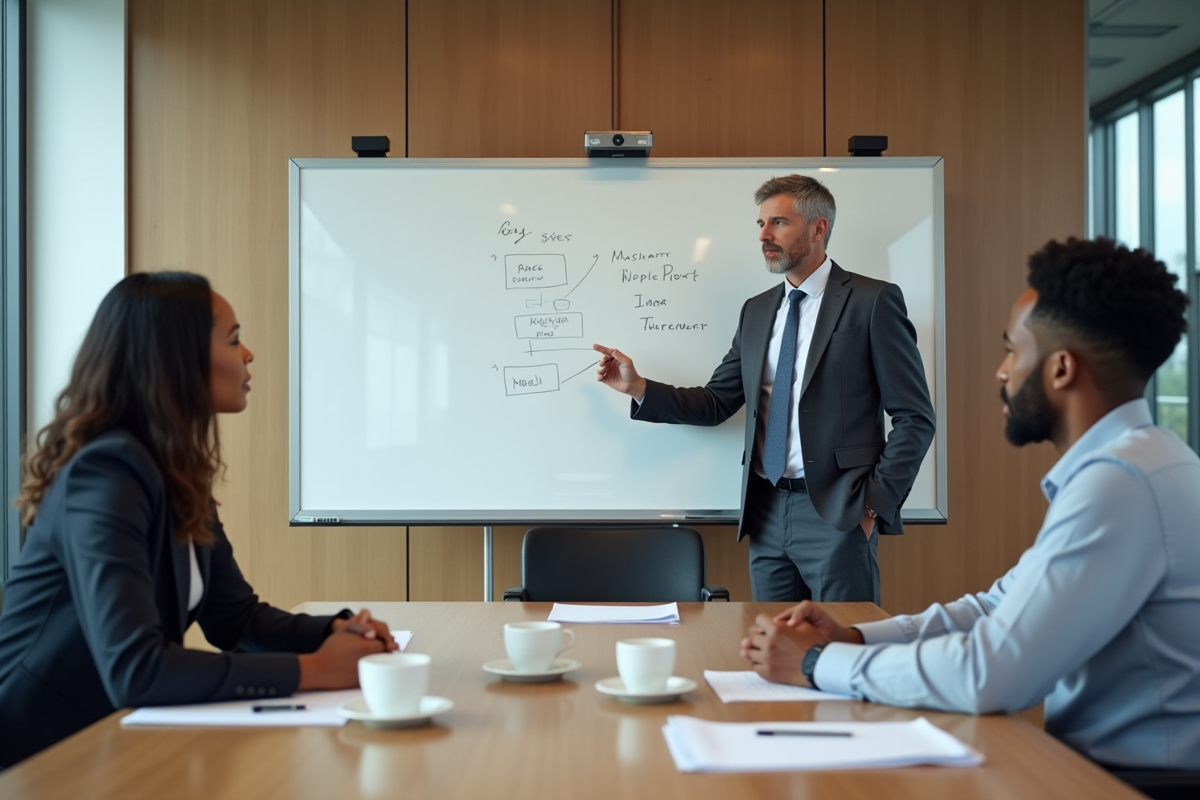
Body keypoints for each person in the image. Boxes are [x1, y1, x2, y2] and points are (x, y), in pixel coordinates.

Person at [741, 237, 1200, 770]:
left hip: (1132, 781)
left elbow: (991, 674)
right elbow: (997, 607)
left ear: (1061, 369)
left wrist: (820, 662)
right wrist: (854, 636)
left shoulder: (1118, 485)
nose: (1002, 373)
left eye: (1013, 350)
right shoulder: (1149, 460)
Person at [0, 272, 398, 767]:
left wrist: (334, 633)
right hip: (38, 753)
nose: (248, 355)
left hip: (112, 742)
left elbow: (234, 619)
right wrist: (314, 670)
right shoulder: (106, 473)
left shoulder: (174, 469)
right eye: (233, 341)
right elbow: (135, 670)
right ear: (175, 361)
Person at [594, 175, 935, 603]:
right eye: (761, 223)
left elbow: (914, 418)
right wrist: (639, 386)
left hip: (838, 513)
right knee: (772, 654)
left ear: (818, 228)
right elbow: (717, 402)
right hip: (766, 511)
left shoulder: (872, 301)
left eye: (778, 223)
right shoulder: (757, 311)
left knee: (842, 649)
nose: (764, 235)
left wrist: (871, 507)